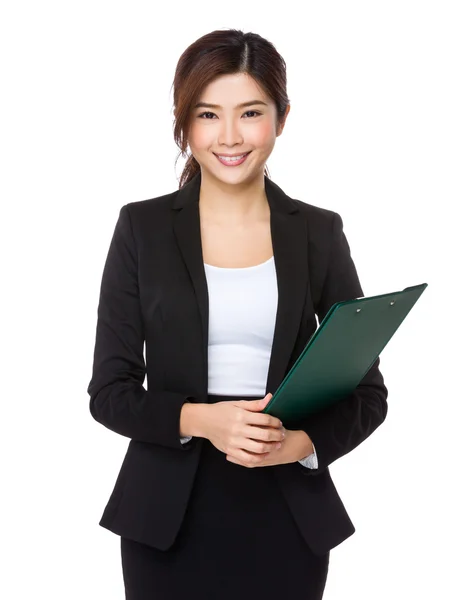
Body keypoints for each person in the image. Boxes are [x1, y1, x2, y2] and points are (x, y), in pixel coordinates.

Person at [87, 28, 389, 600]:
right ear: (185, 122)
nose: (229, 136)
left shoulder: (318, 233)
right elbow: (110, 392)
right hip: (165, 518)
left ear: (282, 117)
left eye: (250, 112)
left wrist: (301, 445)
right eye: (207, 114)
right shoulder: (141, 228)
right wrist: (205, 420)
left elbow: (368, 395)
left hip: (287, 513)